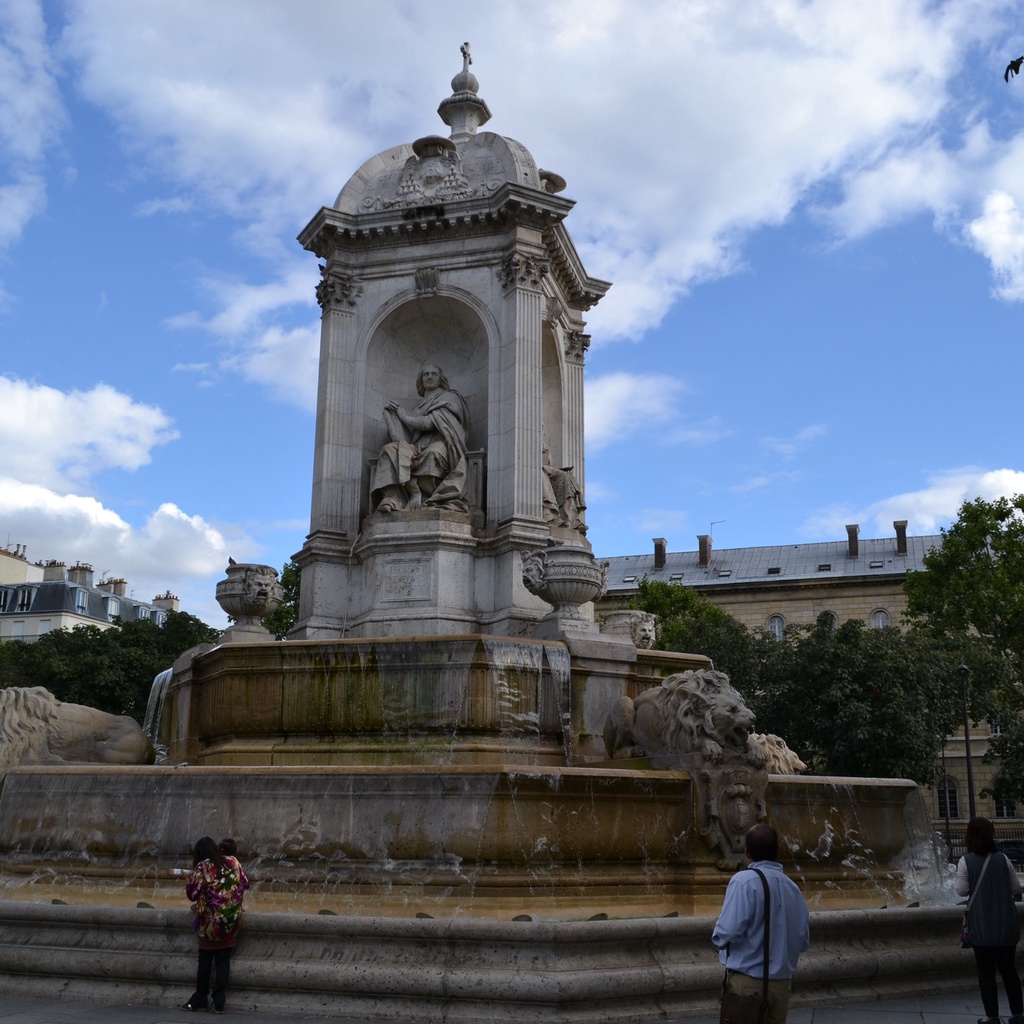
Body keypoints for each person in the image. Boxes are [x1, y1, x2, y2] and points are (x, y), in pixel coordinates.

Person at [712, 823, 810, 1024]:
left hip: (748, 985)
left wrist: (717, 928)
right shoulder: (793, 888)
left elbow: (728, 931)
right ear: (777, 851)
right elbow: (803, 941)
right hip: (782, 986)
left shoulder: (743, 881)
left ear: (747, 852)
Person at [371, 363, 470, 513]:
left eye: (433, 374)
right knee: (389, 450)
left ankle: (428, 500)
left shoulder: (449, 397)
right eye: (426, 374)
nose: (429, 377)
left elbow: (428, 423)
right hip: (416, 447)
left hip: (441, 444)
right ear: (421, 379)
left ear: (440, 378)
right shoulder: (417, 408)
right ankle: (392, 498)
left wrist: (403, 416)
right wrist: (391, 419)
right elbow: (402, 439)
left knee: (433, 453)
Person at [956, 816, 1024, 1024]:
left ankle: (991, 1016)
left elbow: (961, 891)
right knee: (1009, 970)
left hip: (982, 926)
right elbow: (1016, 889)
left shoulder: (965, 861)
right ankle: (1018, 1014)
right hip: (1006, 925)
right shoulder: (1002, 859)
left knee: (986, 973)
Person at [180, 835, 250, 1013]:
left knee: (205, 959)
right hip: (232, 919)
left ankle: (200, 998)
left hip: (211, 922)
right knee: (223, 959)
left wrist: (188, 881)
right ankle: (219, 1000)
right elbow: (246, 883)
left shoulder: (203, 866)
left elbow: (193, 894)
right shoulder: (234, 862)